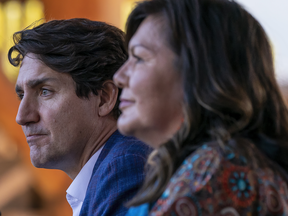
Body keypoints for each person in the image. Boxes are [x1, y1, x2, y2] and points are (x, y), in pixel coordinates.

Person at [113, 0, 288, 215]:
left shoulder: (218, 167)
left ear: (198, 74)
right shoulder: (215, 162)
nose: (119, 77)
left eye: (139, 58)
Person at [8, 18, 151, 216]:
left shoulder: (125, 166)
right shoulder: (107, 169)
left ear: (104, 98)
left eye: (45, 91)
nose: (22, 117)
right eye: (21, 96)